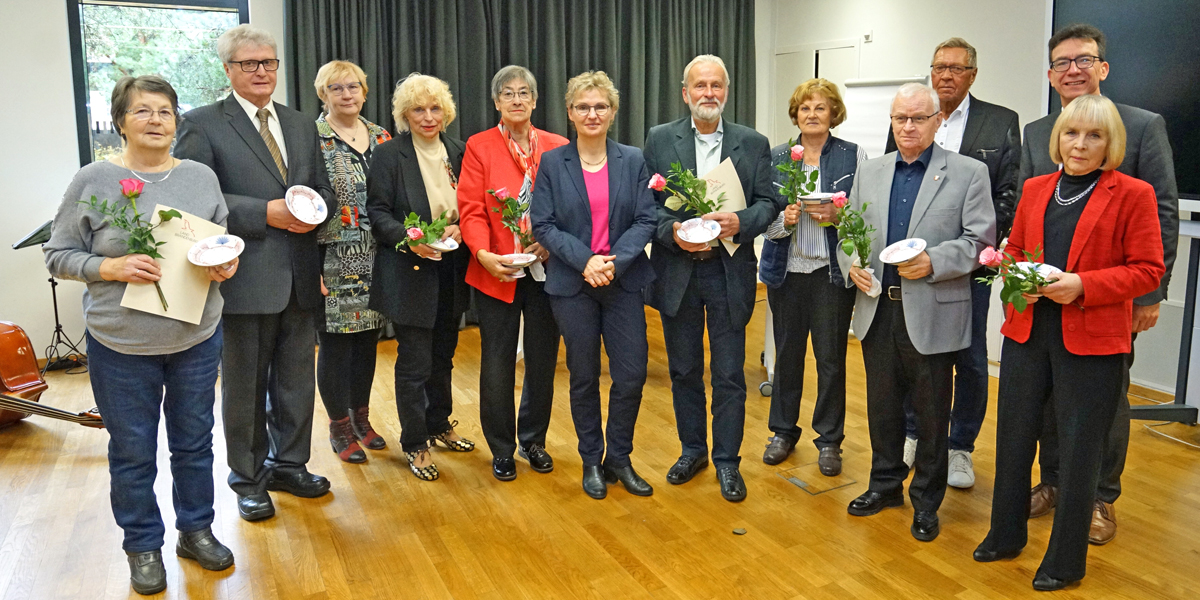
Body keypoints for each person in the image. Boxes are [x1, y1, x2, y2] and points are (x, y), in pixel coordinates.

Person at [45, 76, 238, 595]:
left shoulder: (199, 176)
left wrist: (224, 265)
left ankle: (195, 530)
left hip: (196, 336)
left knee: (195, 443)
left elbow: (219, 242)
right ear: (121, 122)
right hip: (121, 343)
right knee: (132, 450)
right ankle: (142, 545)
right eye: (142, 111)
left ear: (178, 121)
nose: (156, 120)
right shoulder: (94, 179)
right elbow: (57, 254)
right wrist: (109, 268)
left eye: (166, 112)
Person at [974, 94, 1164, 592]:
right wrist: (1015, 271)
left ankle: (1065, 560)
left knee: (1081, 452)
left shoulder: (1133, 194)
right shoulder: (1037, 188)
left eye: (1094, 135)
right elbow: (1014, 248)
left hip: (1092, 338)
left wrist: (1082, 285)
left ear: (1111, 143)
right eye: (1071, 134)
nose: (1080, 144)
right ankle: (1005, 532)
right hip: (1028, 330)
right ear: (1057, 139)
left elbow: (1147, 270)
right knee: (1014, 438)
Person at [1018, 23, 1178, 545]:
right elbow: (1028, 214)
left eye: (1083, 60)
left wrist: (1150, 294)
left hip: (1108, 300)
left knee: (1105, 401)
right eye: (1062, 63)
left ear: (1102, 68)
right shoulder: (1038, 131)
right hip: (1045, 303)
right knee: (1046, 398)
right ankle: (1056, 484)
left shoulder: (1141, 125)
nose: (1073, 70)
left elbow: (1164, 213)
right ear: (1050, 75)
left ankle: (1100, 498)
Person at [174, 24, 335, 522]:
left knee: (296, 382)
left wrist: (314, 209)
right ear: (228, 69)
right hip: (241, 275)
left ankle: (290, 464)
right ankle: (248, 478)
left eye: (269, 62)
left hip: (302, 274)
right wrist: (263, 213)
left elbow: (323, 191)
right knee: (243, 387)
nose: (262, 71)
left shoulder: (302, 123)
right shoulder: (202, 124)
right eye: (249, 64)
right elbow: (194, 200)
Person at [839, 83, 995, 542]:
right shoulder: (871, 171)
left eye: (918, 118)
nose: (908, 126)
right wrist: (852, 265)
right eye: (900, 118)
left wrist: (935, 262)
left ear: (937, 121)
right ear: (892, 121)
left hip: (932, 311)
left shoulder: (968, 172)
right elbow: (850, 231)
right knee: (883, 409)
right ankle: (885, 484)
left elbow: (980, 243)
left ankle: (927, 501)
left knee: (930, 415)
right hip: (877, 310)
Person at [883, 37, 1022, 489]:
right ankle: (914, 434)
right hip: (910, 266)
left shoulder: (1000, 122)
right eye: (939, 67)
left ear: (972, 75)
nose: (946, 75)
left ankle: (960, 446)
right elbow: (898, 181)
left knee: (970, 357)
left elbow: (1007, 195)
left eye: (956, 69)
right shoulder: (910, 116)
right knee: (913, 350)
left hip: (971, 263)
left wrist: (970, 245)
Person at [643, 55, 777, 502]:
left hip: (729, 274)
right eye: (699, 86)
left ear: (726, 90)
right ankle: (692, 450)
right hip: (678, 273)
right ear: (685, 93)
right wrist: (674, 233)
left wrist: (741, 220)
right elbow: (646, 210)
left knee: (729, 375)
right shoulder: (660, 139)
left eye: (716, 85)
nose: (708, 93)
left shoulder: (752, 143)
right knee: (682, 370)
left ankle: (727, 461)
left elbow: (768, 203)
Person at [530, 70, 657, 500]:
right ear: (569, 112)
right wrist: (586, 262)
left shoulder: (633, 159)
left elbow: (646, 219)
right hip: (573, 284)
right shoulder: (552, 162)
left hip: (621, 282)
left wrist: (612, 264)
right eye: (583, 106)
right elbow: (542, 224)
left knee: (632, 374)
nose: (592, 113)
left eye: (600, 106)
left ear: (613, 112)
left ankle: (618, 458)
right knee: (583, 376)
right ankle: (591, 460)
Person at [457, 65, 568, 481]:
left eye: (524, 93)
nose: (517, 100)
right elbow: (470, 208)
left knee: (542, 360)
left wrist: (551, 243)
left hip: (547, 270)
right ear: (496, 102)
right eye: (508, 94)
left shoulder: (557, 145)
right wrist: (483, 254)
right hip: (496, 271)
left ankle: (533, 440)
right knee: (497, 362)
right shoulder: (480, 145)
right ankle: (502, 448)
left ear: (536, 101)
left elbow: (569, 207)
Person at [366, 72, 473, 481]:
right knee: (414, 363)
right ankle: (415, 442)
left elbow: (471, 206)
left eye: (434, 109)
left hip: (452, 268)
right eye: (418, 109)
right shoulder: (390, 155)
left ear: (445, 113)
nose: (428, 117)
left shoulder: (459, 151)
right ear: (404, 115)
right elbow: (377, 214)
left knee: (444, 356)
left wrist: (461, 227)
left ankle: (438, 422)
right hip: (411, 271)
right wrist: (410, 238)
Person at [759, 78, 865, 476]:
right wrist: (782, 222)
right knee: (786, 357)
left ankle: (829, 440)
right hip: (786, 272)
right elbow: (763, 220)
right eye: (805, 108)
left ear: (833, 113)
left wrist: (841, 217)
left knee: (831, 360)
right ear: (796, 114)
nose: (812, 115)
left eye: (821, 108)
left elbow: (865, 219)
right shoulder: (778, 156)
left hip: (831, 274)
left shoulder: (853, 156)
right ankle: (783, 432)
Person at [312, 60, 392, 463]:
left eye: (354, 87)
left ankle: (361, 416)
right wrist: (310, 264)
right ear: (323, 93)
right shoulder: (312, 138)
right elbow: (303, 203)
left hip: (379, 257)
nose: (347, 94)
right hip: (334, 259)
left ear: (364, 91)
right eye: (337, 88)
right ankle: (339, 427)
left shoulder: (381, 136)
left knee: (367, 342)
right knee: (336, 346)